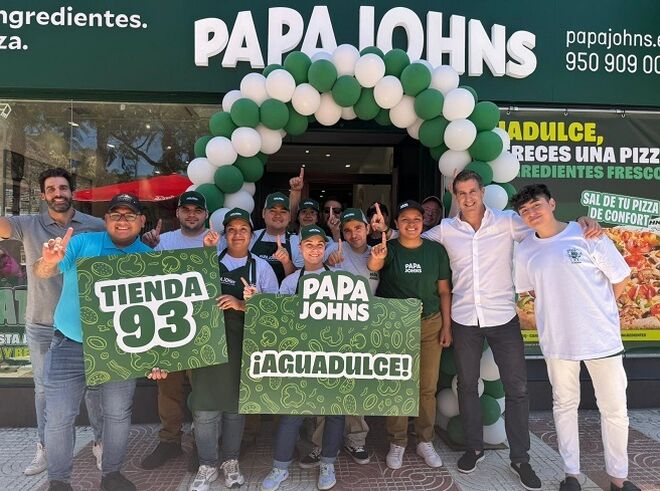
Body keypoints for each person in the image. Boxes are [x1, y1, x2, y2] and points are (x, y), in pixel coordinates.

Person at [421, 170, 600, 490]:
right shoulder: (447, 229)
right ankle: (474, 448)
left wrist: (582, 220)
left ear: (482, 191)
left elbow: (547, 226)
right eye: (461, 193)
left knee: (517, 389)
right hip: (464, 319)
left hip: (503, 319)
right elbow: (412, 241)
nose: (467, 198)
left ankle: (521, 457)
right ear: (454, 194)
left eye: (472, 191)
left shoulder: (506, 221)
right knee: (466, 385)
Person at [34, 193, 167, 491]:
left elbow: (156, 314)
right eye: (116, 214)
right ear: (105, 220)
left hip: (120, 350)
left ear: (141, 221)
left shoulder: (150, 259)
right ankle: (58, 481)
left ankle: (112, 474)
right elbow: (43, 271)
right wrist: (48, 260)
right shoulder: (81, 243)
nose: (123, 220)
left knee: (118, 414)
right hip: (70, 343)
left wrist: (158, 356)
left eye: (130, 215)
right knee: (58, 416)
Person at [511, 184, 640, 491]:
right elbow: (530, 289)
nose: (531, 214)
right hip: (557, 341)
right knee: (564, 405)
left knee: (614, 409)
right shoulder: (526, 248)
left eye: (536, 206)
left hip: (601, 339)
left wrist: (599, 309)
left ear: (552, 204)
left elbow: (620, 278)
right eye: (524, 211)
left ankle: (619, 479)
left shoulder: (586, 234)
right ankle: (571, 474)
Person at [0, 167, 105, 475]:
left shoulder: (94, 224)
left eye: (63, 188)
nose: (58, 193)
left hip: (87, 325)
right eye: (51, 189)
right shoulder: (28, 224)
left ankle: (100, 444)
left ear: (71, 192)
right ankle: (44, 449)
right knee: (44, 390)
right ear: (43, 194)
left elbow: (119, 246)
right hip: (43, 323)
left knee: (96, 390)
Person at [189, 207, 278, 491]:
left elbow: (275, 312)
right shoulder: (209, 261)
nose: (237, 234)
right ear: (224, 234)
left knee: (235, 410)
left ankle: (230, 461)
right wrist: (203, 256)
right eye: (231, 229)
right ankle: (207, 464)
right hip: (208, 347)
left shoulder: (260, 268)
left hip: (243, 346)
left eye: (243, 229)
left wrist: (243, 305)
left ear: (251, 235)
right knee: (204, 410)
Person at [367, 200, 452, 470]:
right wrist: (377, 257)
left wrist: (447, 326)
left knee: (427, 387)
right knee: (398, 385)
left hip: (430, 323)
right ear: (396, 224)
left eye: (417, 218)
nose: (412, 223)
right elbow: (374, 264)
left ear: (423, 222)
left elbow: (444, 291)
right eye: (405, 219)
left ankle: (425, 440)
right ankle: (398, 442)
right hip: (395, 326)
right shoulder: (388, 248)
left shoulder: (436, 251)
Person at [261, 224, 345, 491]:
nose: (315, 249)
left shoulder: (340, 278)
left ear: (325, 248)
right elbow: (277, 320)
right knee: (292, 412)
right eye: (309, 244)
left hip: (332, 357)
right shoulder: (290, 282)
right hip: (299, 358)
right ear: (300, 249)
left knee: (334, 411)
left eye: (320, 245)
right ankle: (280, 467)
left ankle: (328, 462)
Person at [139, 190, 216, 470]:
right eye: (187, 210)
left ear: (206, 214)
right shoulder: (163, 242)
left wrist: (210, 252)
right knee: (168, 389)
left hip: (204, 329)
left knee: (201, 391)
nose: (192, 214)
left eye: (197, 210)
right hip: (167, 328)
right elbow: (146, 281)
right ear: (178, 213)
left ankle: (200, 444)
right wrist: (146, 247)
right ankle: (169, 442)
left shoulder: (215, 242)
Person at [299, 208, 378, 468]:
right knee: (325, 388)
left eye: (358, 227)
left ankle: (356, 439)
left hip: (363, 330)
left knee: (356, 386)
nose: (353, 233)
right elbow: (311, 267)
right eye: (347, 229)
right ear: (341, 233)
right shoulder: (333, 249)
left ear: (368, 228)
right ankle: (320, 444)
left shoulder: (380, 251)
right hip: (328, 330)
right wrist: (328, 260)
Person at [248, 192, 303, 285]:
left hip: (284, 298)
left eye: (283, 212)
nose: (278, 215)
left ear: (289, 217)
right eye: (273, 211)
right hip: (253, 297)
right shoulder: (251, 237)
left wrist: (287, 262)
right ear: (263, 213)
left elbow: (299, 282)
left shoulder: (297, 242)